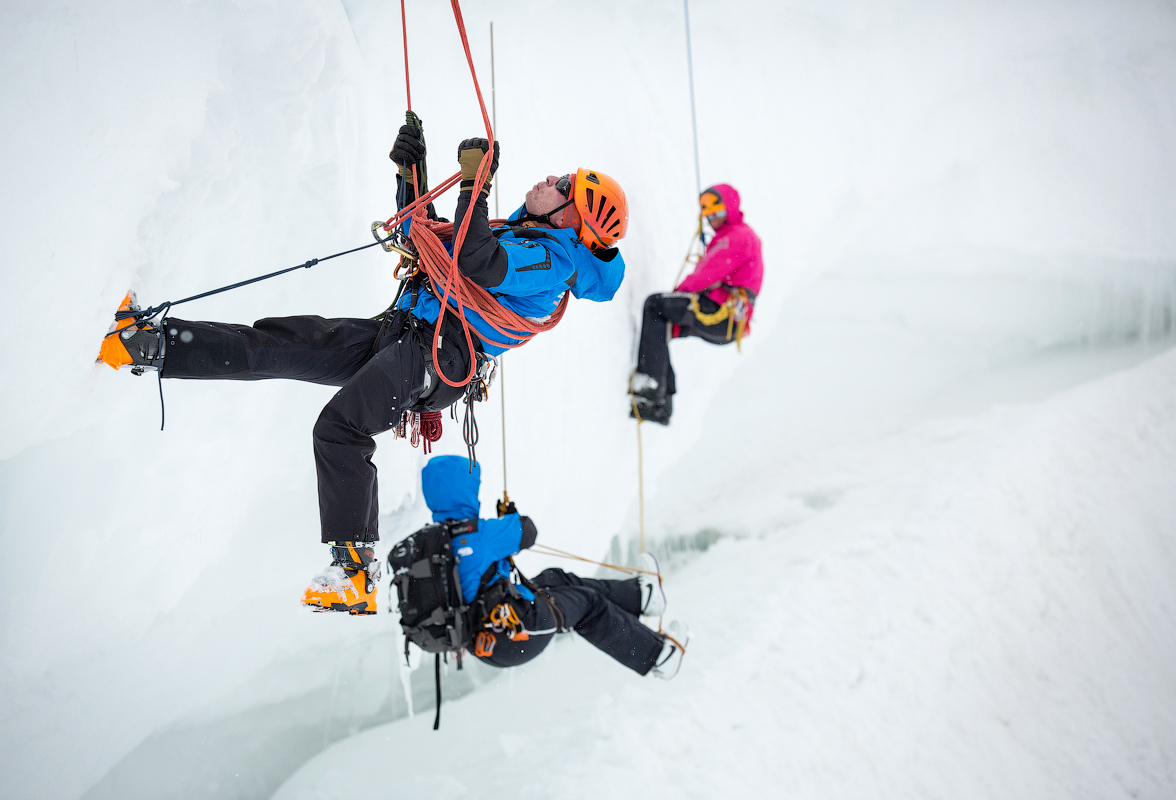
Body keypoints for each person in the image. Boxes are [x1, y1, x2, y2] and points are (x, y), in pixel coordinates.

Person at [96, 124, 630, 613]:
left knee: (340, 428)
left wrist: (474, 186)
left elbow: (476, 262)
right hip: (405, 333)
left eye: (563, 185)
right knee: (282, 343)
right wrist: (411, 176)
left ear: (571, 217)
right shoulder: (522, 236)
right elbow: (427, 237)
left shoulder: (552, 262)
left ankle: (354, 571)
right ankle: (152, 345)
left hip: (437, 358)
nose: (550, 180)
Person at [407, 455, 688, 680]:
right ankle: (659, 656)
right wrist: (508, 517)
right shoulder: (479, 533)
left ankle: (641, 596)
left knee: (553, 578)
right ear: (466, 493)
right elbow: (527, 531)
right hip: (518, 632)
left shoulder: (434, 543)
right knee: (588, 606)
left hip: (490, 640)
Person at [630, 183, 762, 425]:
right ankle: (660, 406)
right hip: (729, 322)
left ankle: (650, 386)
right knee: (662, 325)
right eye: (708, 215)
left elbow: (706, 275)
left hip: (721, 314)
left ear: (730, 210)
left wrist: (677, 295)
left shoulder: (737, 236)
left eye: (718, 213)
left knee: (655, 305)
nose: (712, 219)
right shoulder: (733, 237)